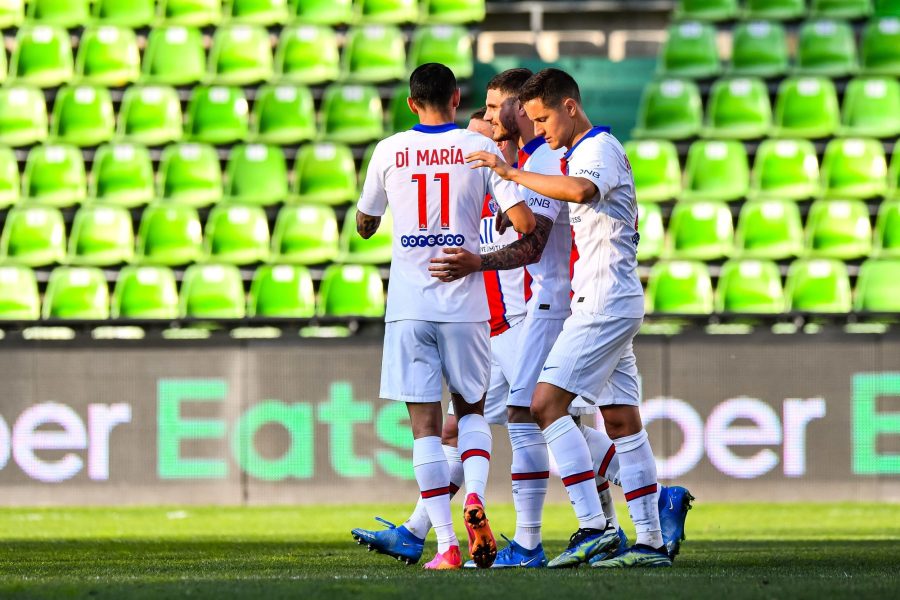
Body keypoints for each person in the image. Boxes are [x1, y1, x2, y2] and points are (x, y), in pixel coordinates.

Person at [432, 71, 695, 566]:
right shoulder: (568, 151)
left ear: (569, 106)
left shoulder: (595, 150)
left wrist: (508, 175)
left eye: (543, 117)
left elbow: (576, 193)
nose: (541, 127)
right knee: (619, 420)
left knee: (543, 407)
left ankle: (593, 527)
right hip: (598, 300)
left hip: (597, 302)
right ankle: (651, 540)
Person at [355, 63, 535, 570]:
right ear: (458, 98)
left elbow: (366, 225)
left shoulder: (388, 150)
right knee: (473, 413)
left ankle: (447, 545)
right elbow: (522, 224)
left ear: (412, 104)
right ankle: (475, 495)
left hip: (411, 307)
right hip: (466, 306)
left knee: (426, 429)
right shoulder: (480, 153)